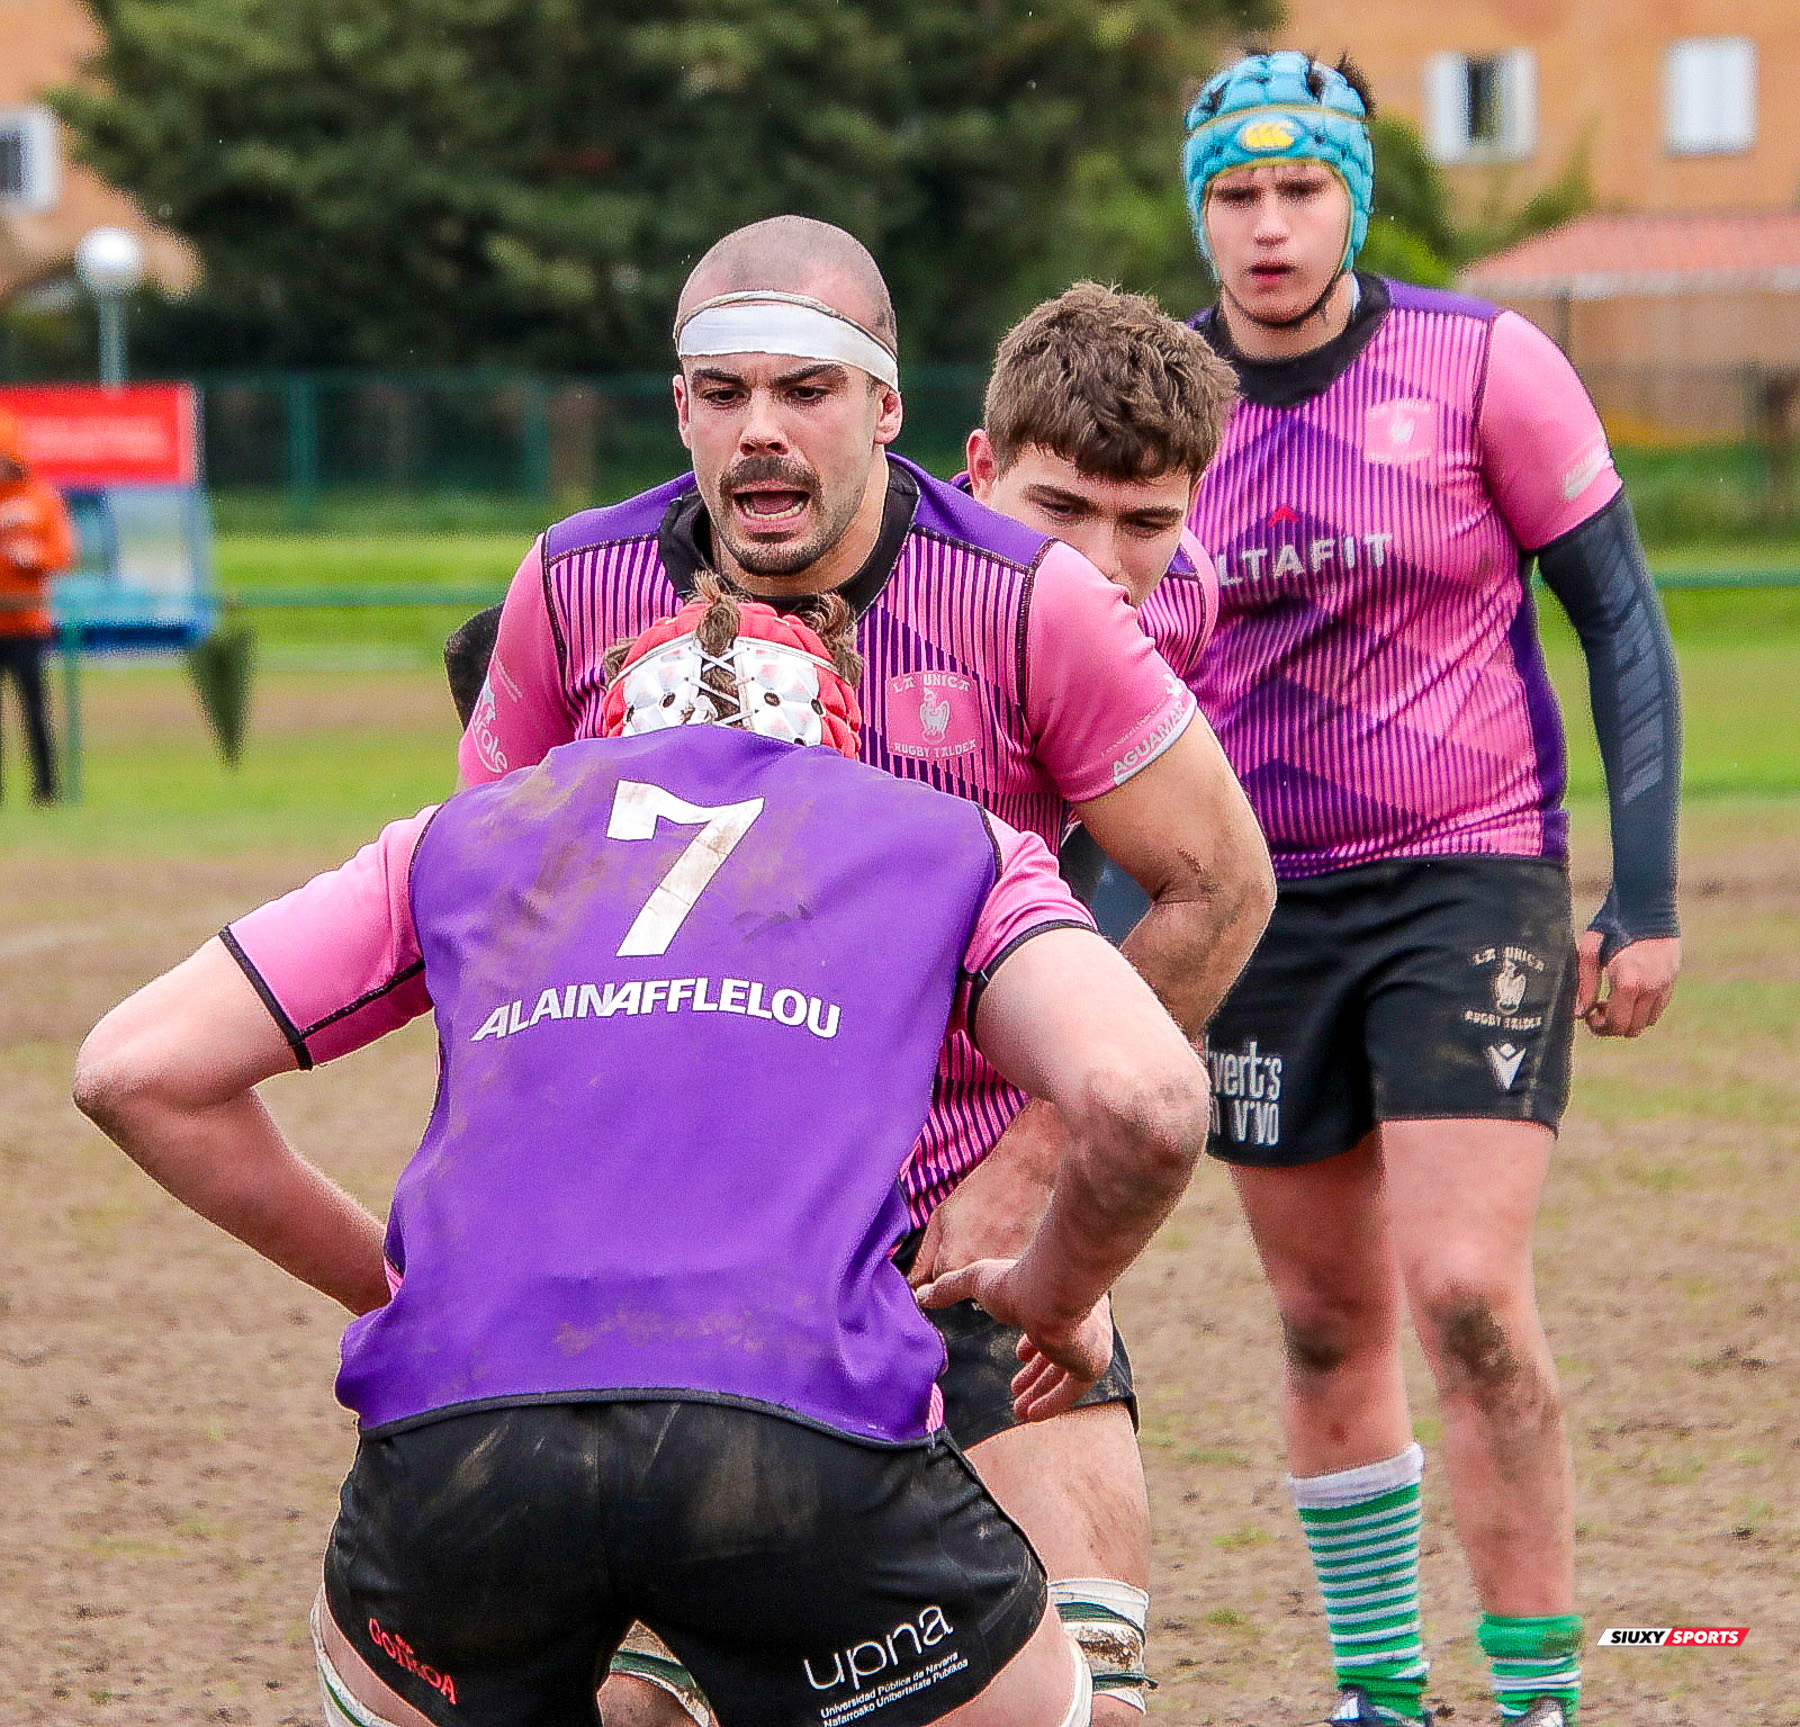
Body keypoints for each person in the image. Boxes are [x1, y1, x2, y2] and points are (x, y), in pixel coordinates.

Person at [74, 580, 1217, 1727]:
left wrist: (391, 1283)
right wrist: (1053, 1294)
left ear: (606, 726)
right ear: (841, 725)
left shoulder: (459, 833)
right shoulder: (949, 838)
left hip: (455, 1445)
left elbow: (134, 1068)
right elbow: (1150, 1099)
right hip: (796, 1427)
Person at [452, 217, 1274, 1724]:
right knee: (637, 1710)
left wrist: (1029, 1172)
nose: (764, 427)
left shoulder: (1033, 599)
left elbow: (1219, 883)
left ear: (889, 410)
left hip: (946, 1246)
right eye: (722, 389)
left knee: (1081, 1692)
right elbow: (493, 918)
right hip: (672, 1275)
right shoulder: (572, 589)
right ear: (681, 403)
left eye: (809, 388)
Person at [1179, 49, 1683, 1727]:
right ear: (1199, 210)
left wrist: (1650, 889)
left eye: (1299, 188)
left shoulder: (1480, 363)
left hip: (1469, 878)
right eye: (1235, 194)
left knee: (1461, 1288)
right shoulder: (1163, 410)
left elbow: (1621, 618)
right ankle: (1380, 1695)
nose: (1267, 224)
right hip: (1253, 907)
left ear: (1356, 196)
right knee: (1326, 1324)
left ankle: (1537, 1691)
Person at [959, 280, 1234, 929]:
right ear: (984, 469)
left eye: (1145, 524)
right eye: (1062, 509)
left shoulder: (1187, 591)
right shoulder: (899, 593)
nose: (1101, 564)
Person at [0, 408, 75, 805]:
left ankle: (45, 788)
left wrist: (35, 557)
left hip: (27, 622)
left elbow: (63, 552)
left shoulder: (41, 498)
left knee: (35, 712)